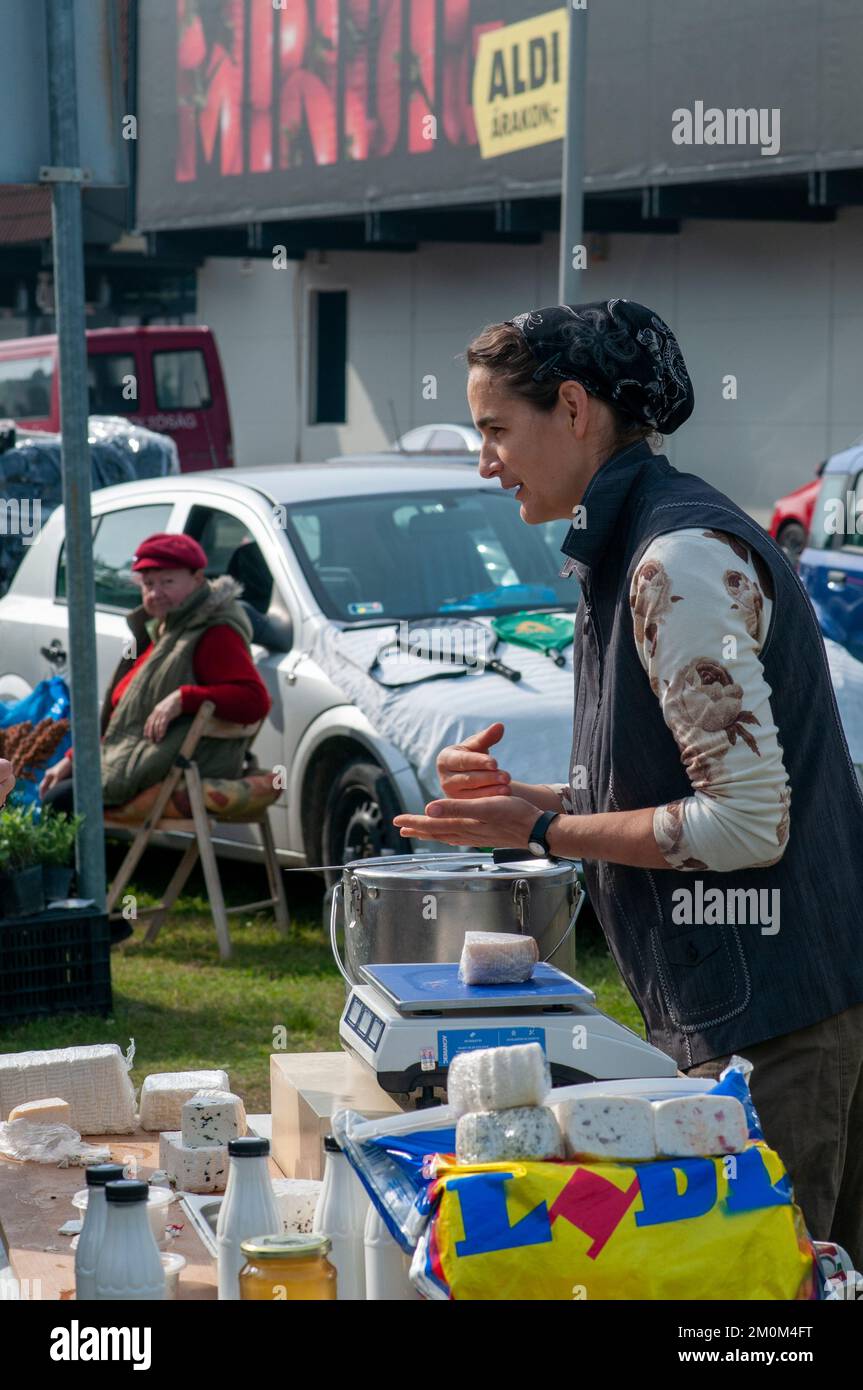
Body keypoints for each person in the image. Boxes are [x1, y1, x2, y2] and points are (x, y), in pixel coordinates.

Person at [393, 298, 863, 1270]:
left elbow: (743, 824)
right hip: (761, 1004)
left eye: (493, 429)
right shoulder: (642, 543)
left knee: (763, 1295)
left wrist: (544, 832)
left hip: (779, 1016)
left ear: (572, 409)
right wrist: (526, 801)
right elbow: (680, 788)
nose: (483, 460)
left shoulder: (672, 561)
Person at [39, 533, 271, 814]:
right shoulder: (160, 629)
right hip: (134, 761)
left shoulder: (213, 632)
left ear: (198, 579)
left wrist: (184, 698)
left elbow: (255, 700)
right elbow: (124, 721)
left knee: (59, 801)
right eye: (148, 584)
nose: (155, 593)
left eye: (167, 582)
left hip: (170, 766)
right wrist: (74, 759)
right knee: (55, 787)